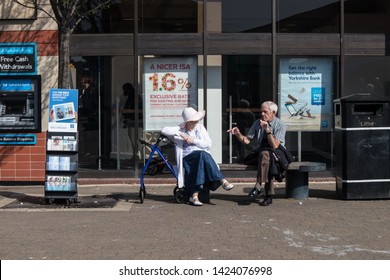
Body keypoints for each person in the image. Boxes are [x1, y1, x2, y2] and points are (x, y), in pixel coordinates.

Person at [162, 107, 234, 206]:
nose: (195, 123)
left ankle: (194, 196)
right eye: (192, 122)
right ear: (187, 122)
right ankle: (222, 180)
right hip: (187, 158)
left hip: (200, 157)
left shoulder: (200, 127)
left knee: (201, 157)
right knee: (202, 155)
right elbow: (164, 130)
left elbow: (208, 144)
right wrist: (181, 134)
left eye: (196, 121)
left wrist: (193, 140)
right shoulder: (180, 128)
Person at [227, 101, 286, 206]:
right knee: (265, 156)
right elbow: (247, 141)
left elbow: (275, 146)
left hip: (277, 155)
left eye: (265, 112)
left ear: (273, 113)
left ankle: (258, 187)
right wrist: (238, 134)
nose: (262, 114)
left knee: (267, 155)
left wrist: (267, 130)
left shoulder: (280, 124)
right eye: (261, 111)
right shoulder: (257, 123)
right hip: (262, 154)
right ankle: (268, 195)